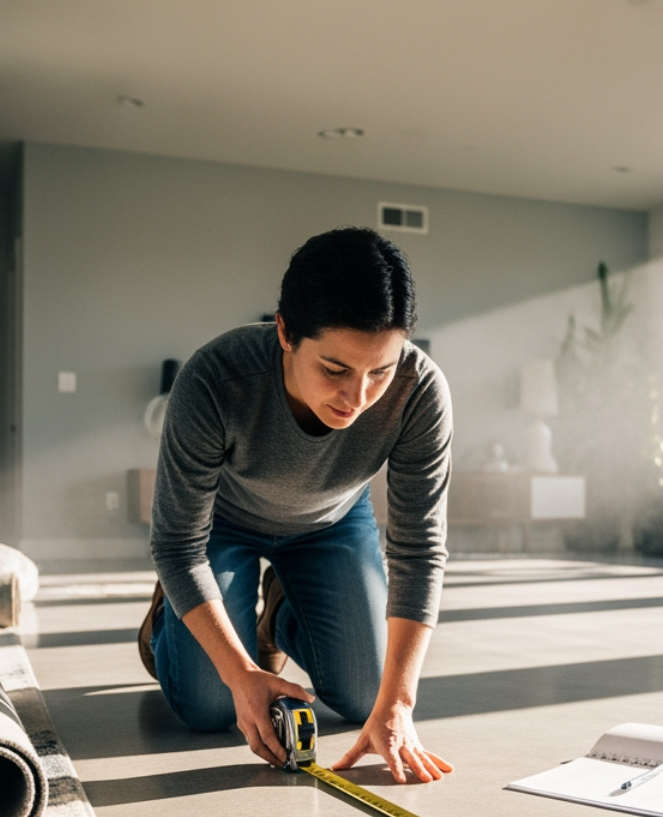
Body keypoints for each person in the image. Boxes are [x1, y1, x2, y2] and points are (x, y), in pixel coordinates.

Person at [139, 227, 454, 784]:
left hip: (331, 523)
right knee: (211, 708)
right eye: (335, 370)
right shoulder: (215, 379)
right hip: (221, 526)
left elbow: (419, 550)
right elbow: (176, 542)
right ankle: (174, 617)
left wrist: (399, 701)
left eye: (379, 370)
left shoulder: (420, 391)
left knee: (366, 698)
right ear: (285, 331)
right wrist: (239, 675)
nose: (357, 398)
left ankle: (281, 611)